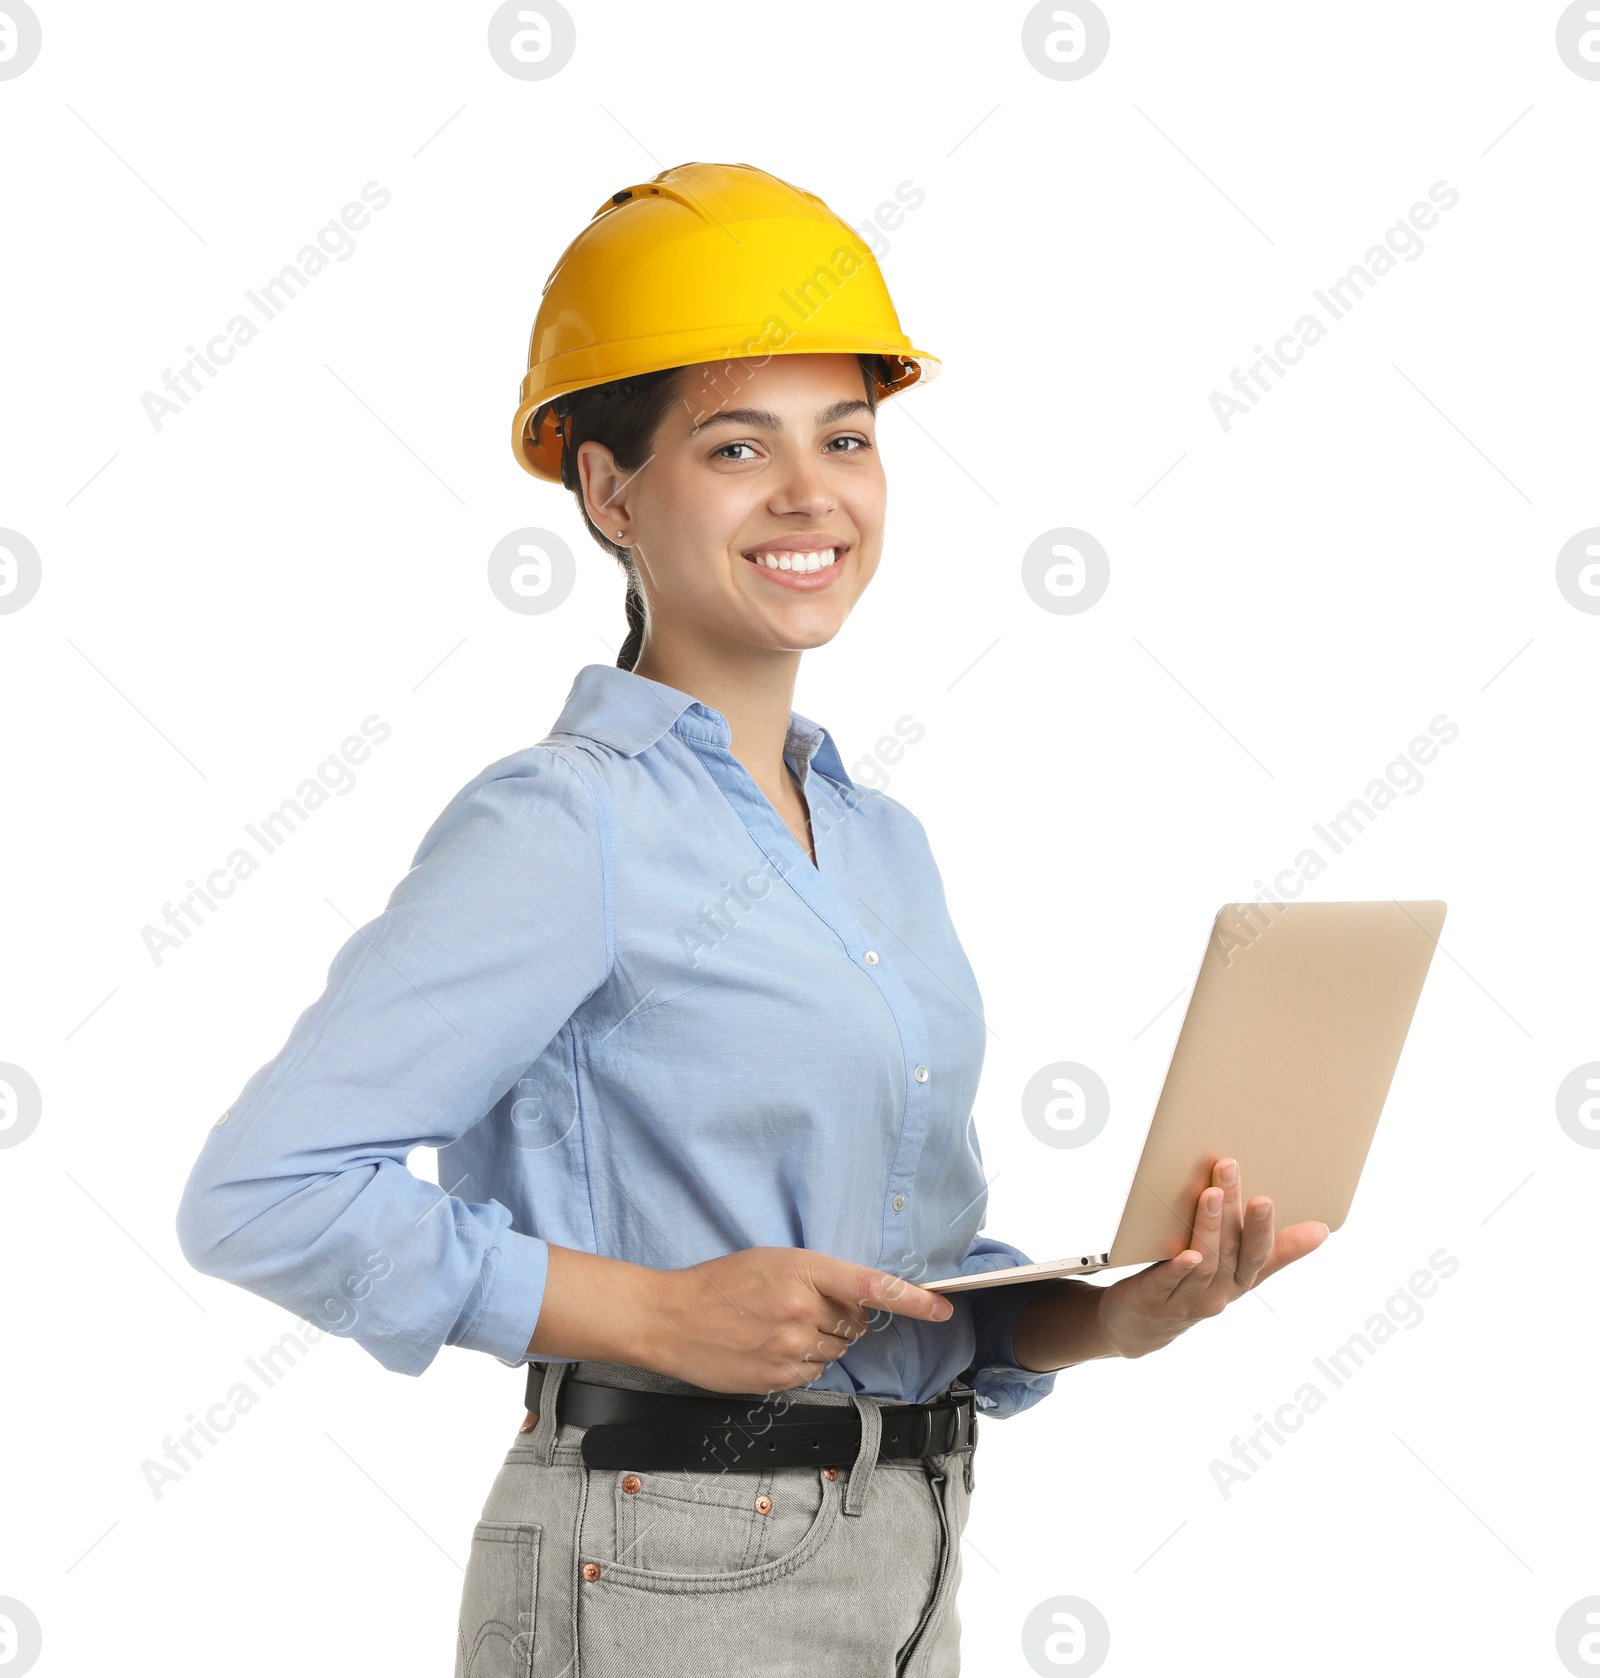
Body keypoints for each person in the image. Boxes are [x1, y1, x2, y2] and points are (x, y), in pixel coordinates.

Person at [176, 161, 1327, 1677]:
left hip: (907, 1546)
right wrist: (652, 1312)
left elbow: (896, 1274)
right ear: (608, 490)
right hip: (662, 1548)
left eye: (846, 437)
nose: (812, 494)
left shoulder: (879, 843)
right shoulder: (565, 822)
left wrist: (1119, 1311)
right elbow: (262, 1194)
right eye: (738, 445)